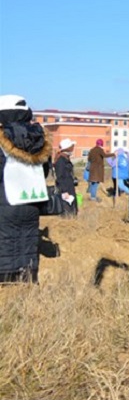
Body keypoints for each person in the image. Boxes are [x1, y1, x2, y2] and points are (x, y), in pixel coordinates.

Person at [0, 95, 53, 283]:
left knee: (4, 239)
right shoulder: (38, 137)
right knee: (27, 238)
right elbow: (45, 170)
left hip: (5, 199)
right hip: (30, 201)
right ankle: (27, 279)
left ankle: (6, 282)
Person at [54, 139, 78, 218]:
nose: (73, 148)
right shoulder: (61, 160)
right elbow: (60, 177)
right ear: (67, 148)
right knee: (66, 209)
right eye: (71, 147)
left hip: (69, 186)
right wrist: (64, 191)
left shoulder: (66, 158)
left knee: (72, 209)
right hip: (65, 188)